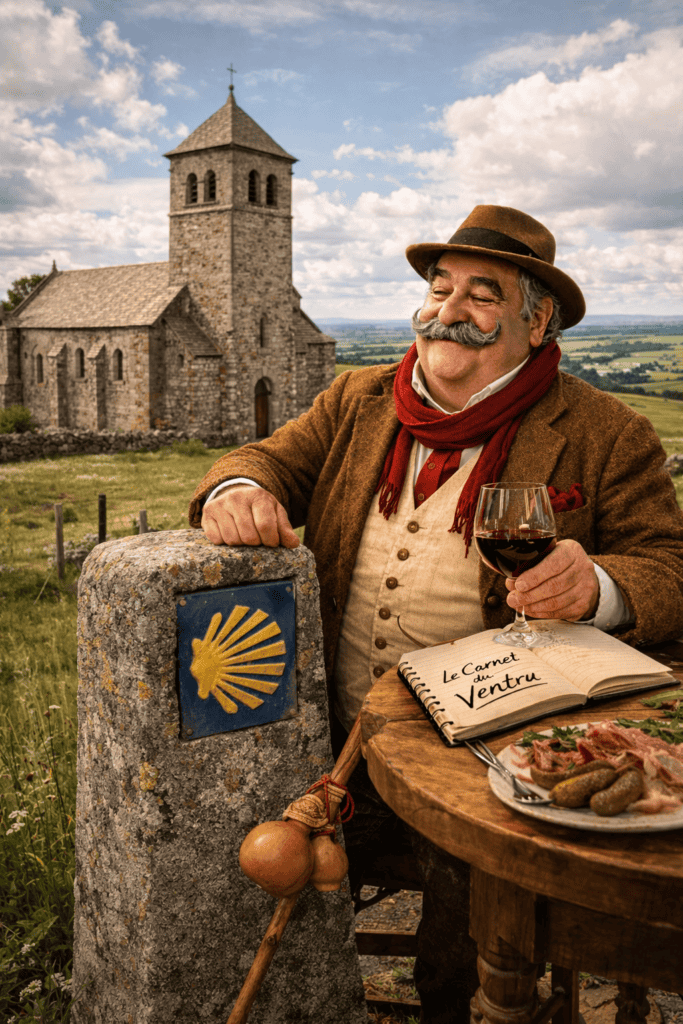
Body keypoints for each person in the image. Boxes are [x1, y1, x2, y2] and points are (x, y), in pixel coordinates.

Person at [189, 205, 683, 1023]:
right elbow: (267, 458)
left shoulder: (604, 431)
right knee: (259, 901)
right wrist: (241, 489)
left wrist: (596, 586)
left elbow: (670, 565)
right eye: (438, 286)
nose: (446, 309)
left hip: (489, 756)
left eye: (481, 294)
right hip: (341, 737)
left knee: (467, 955)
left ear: (538, 320)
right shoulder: (358, 398)